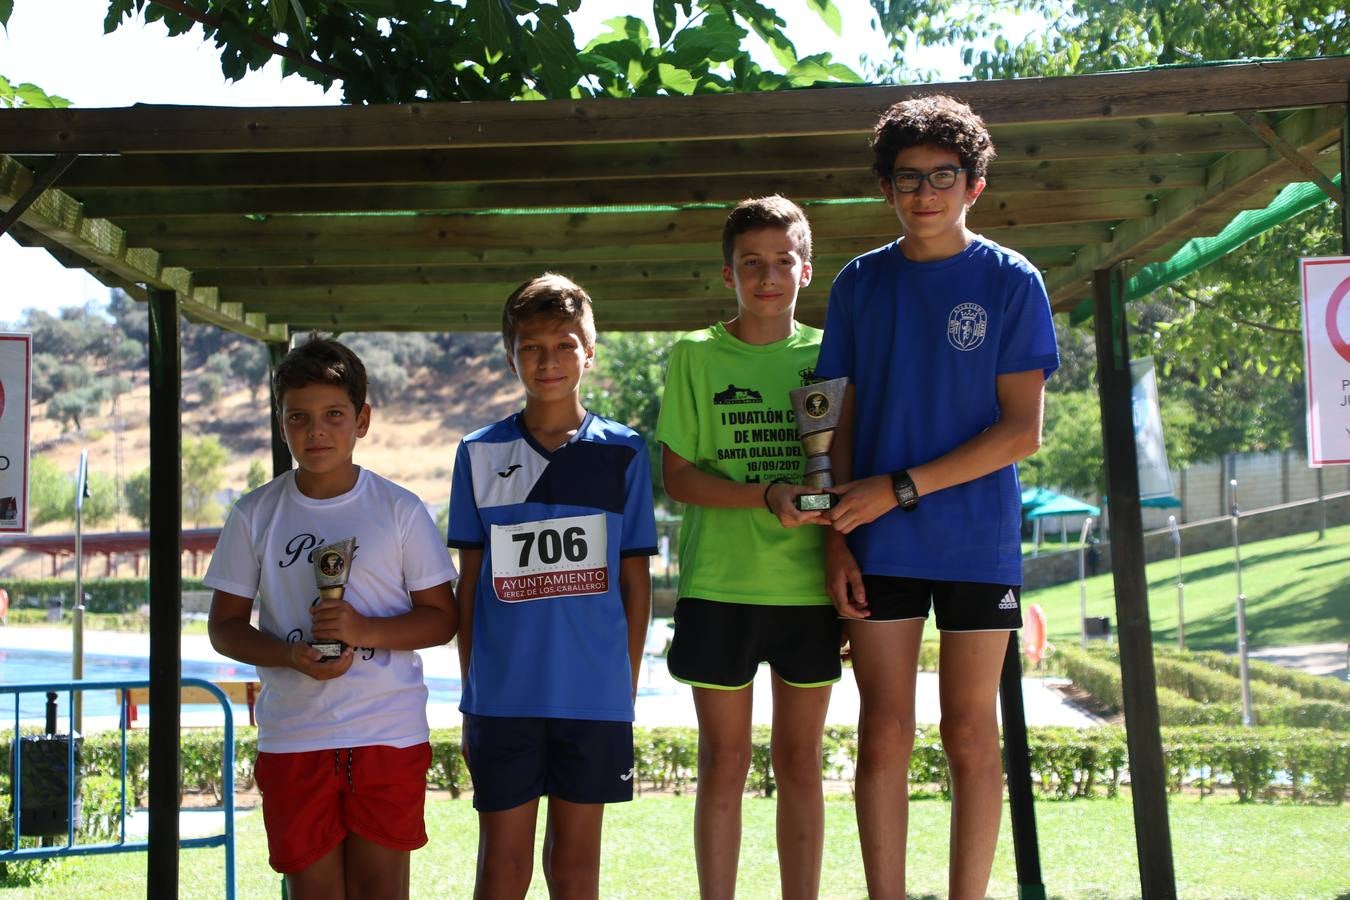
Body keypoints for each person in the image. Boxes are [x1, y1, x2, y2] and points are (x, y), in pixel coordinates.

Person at [816, 95, 1059, 899]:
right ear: (886, 188)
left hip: (973, 540)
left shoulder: (1011, 281)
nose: (925, 193)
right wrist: (836, 534)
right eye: (907, 178)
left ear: (974, 184)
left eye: (942, 176)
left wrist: (903, 487)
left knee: (967, 732)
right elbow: (836, 422)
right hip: (874, 538)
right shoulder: (858, 284)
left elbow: (1022, 431)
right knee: (882, 733)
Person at [204, 334, 458, 900]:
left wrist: (363, 630)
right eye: (299, 417)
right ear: (281, 422)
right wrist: (289, 655)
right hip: (295, 735)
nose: (315, 431)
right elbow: (224, 627)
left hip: (386, 734)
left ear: (362, 420)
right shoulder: (254, 514)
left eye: (333, 415)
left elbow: (442, 619)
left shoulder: (400, 510)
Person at [447, 273, 656, 899]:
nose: (549, 361)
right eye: (532, 347)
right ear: (511, 355)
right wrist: (470, 689)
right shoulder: (478, 453)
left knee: (573, 868)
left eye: (565, 345)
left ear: (589, 352)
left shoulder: (624, 452)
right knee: (502, 870)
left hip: (592, 697)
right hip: (502, 697)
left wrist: (625, 684)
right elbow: (469, 585)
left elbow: (634, 581)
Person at [656, 195, 838, 900]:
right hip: (719, 585)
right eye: (751, 264)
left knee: (801, 763)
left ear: (807, 268)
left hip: (807, 590)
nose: (768, 277)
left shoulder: (831, 354)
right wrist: (766, 495)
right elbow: (678, 477)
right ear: (727, 273)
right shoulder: (695, 355)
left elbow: (845, 466)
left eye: (782, 262)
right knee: (723, 763)